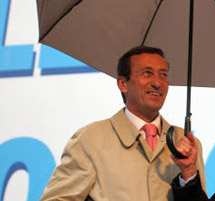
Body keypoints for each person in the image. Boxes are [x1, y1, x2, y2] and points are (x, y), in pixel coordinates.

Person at [39, 46, 206, 201]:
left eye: (163, 74)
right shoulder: (90, 139)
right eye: (147, 73)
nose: (157, 82)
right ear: (123, 84)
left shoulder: (187, 143)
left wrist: (189, 173)